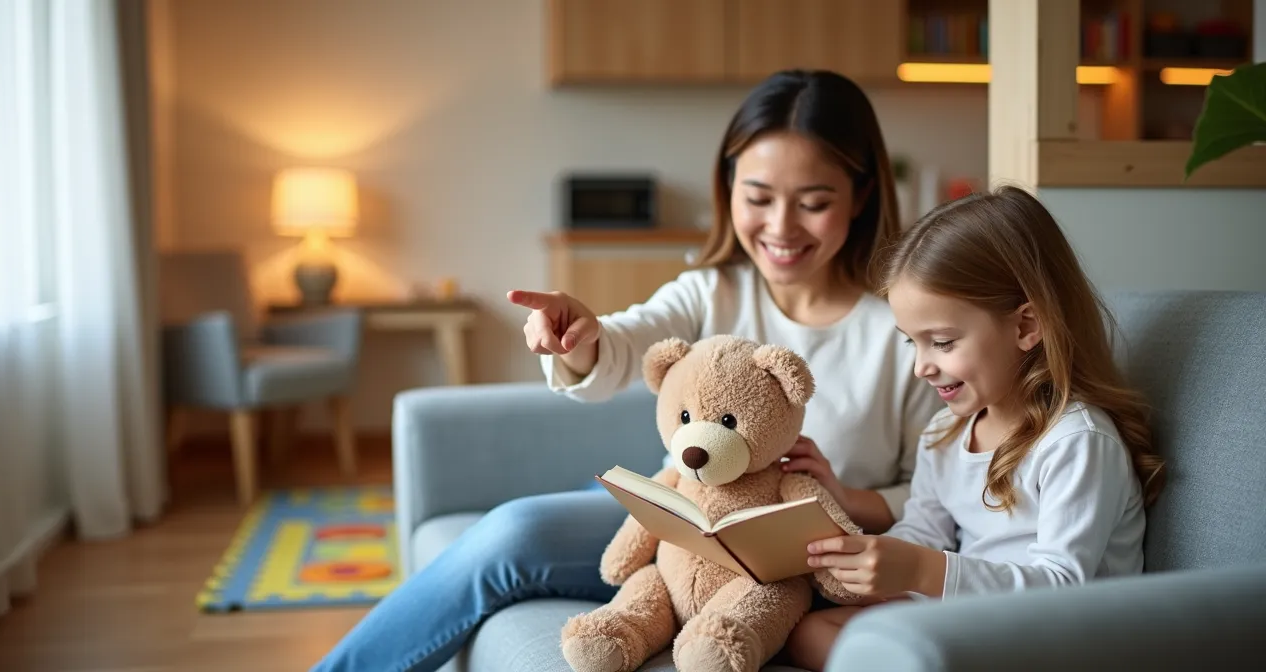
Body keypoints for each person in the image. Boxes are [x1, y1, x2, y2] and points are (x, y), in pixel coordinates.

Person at [310, 69, 942, 672]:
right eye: (758, 197)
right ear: (729, 190)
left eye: (813, 202)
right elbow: (622, 347)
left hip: (801, 563)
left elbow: (938, 490)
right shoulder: (709, 293)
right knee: (514, 530)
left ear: (861, 195)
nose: (780, 226)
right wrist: (579, 341)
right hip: (685, 527)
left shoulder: (899, 327)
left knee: (517, 530)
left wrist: (842, 499)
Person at [780, 185, 1169, 670]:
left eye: (941, 342)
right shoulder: (945, 432)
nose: (922, 366)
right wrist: (864, 563)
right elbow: (923, 531)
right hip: (972, 620)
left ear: (1026, 326)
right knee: (811, 630)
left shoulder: (1077, 442)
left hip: (1059, 638)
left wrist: (923, 570)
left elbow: (1062, 588)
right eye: (912, 344)